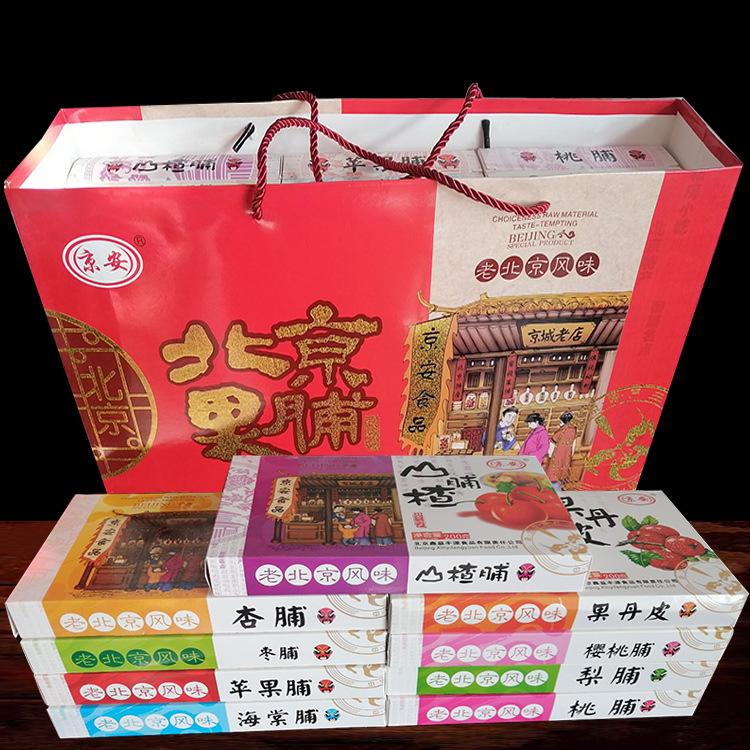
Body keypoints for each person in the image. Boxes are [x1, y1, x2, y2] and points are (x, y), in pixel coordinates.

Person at [546, 411, 577, 490]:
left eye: (560, 422)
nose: (559, 423)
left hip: (558, 454)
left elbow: (553, 441)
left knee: (553, 472)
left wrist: (549, 454)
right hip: (567, 454)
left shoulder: (561, 431)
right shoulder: (573, 430)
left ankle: (554, 489)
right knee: (563, 471)